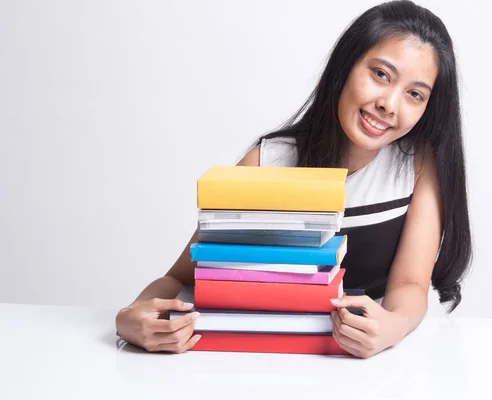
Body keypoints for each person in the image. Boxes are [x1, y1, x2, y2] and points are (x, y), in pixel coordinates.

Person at [115, 0, 472, 359]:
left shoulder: (417, 165)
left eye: (415, 94)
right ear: (345, 67)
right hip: (278, 353)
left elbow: (410, 284)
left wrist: (390, 328)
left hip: (375, 359)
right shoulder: (265, 162)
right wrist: (130, 317)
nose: (390, 104)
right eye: (380, 74)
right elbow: (180, 278)